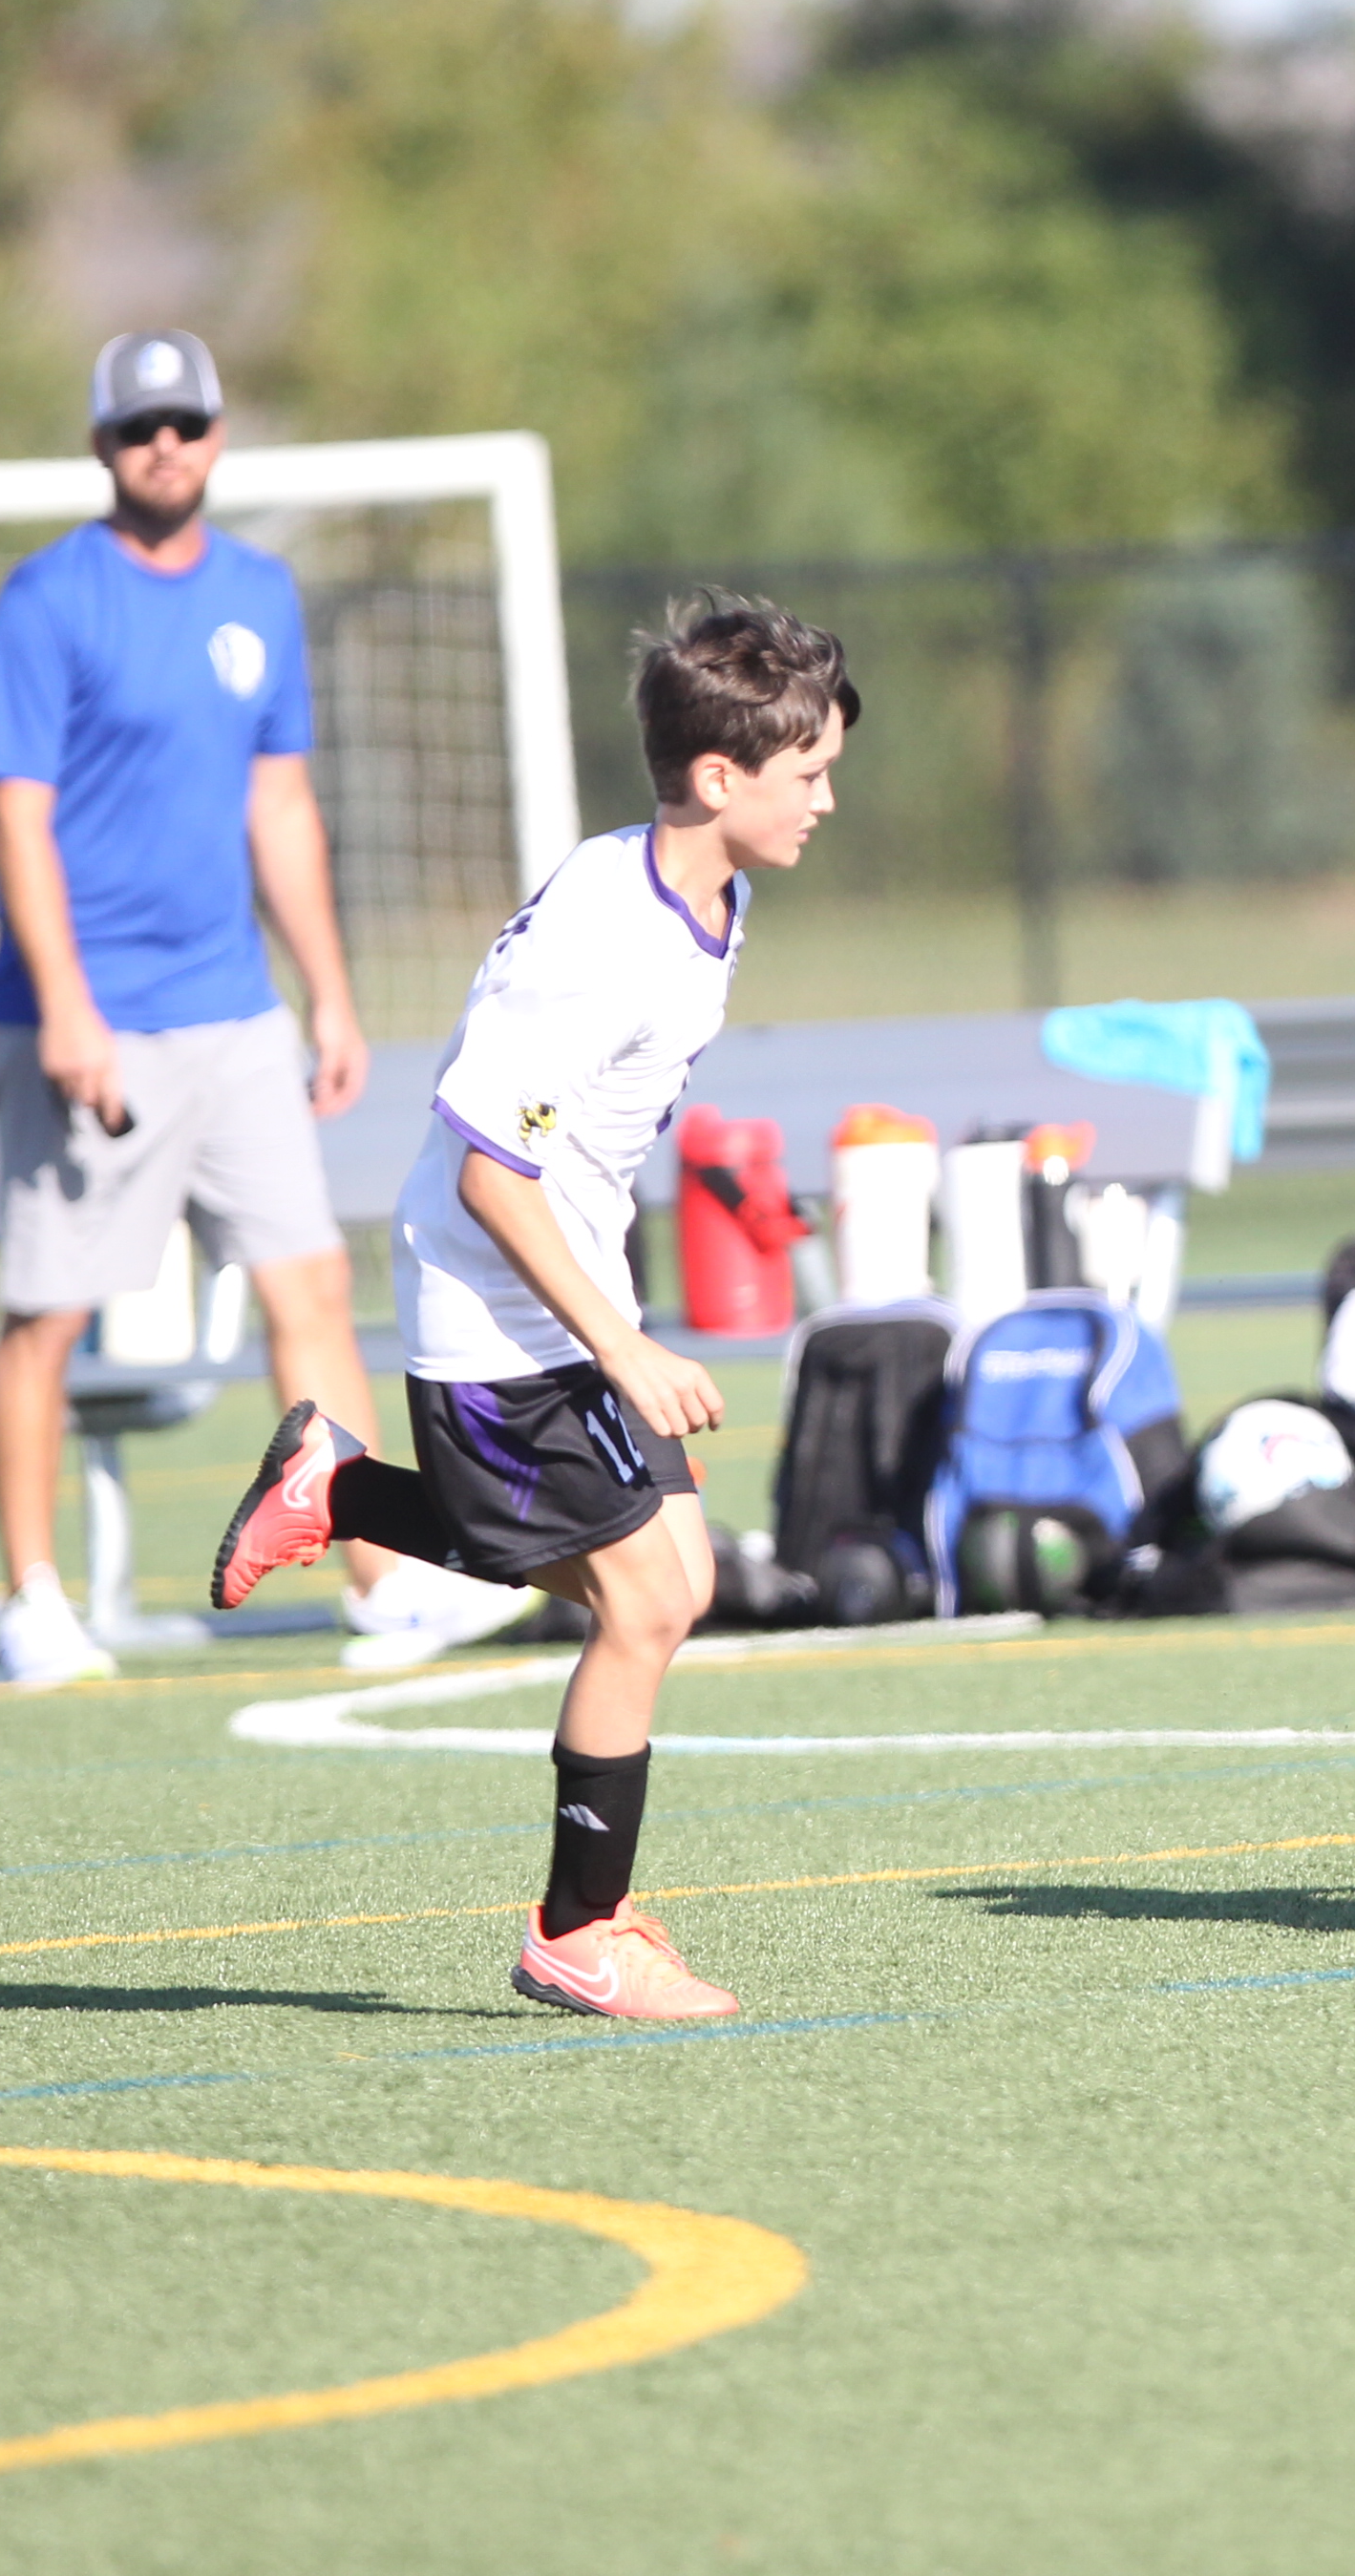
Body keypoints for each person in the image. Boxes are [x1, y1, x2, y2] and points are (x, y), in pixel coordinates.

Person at [206, 597, 856, 2020]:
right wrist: (623, 1347)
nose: (825, 798)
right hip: (501, 1310)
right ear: (717, 777)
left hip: (571, 1288)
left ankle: (340, 1492)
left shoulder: (707, 895)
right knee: (648, 1601)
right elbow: (492, 1171)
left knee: (671, 1585)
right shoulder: (604, 941)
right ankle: (578, 1932)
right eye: (806, 772)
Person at [0, 327, 531, 1685]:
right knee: (49, 1311)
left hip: (233, 1011)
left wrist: (327, 992)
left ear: (218, 436)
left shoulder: (260, 595)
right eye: (138, 426)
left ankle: (381, 1587)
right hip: (91, 1021)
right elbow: (16, 817)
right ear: (102, 446)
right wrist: (67, 1006)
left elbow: (279, 806)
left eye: (186, 422)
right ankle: (30, 1602)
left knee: (311, 1280)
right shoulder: (46, 603)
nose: (164, 445)